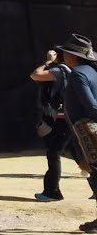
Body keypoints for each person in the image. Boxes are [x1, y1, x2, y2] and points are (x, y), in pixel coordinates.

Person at [37, 34, 97, 232]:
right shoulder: (91, 71)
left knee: (95, 171)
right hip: (86, 126)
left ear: (72, 56)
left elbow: (91, 105)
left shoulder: (78, 74)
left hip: (88, 127)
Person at [30, 45, 73, 201]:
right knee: (74, 153)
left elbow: (35, 75)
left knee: (54, 153)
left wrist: (48, 62)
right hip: (68, 117)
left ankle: (52, 192)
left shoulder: (60, 70)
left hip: (61, 119)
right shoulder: (70, 70)